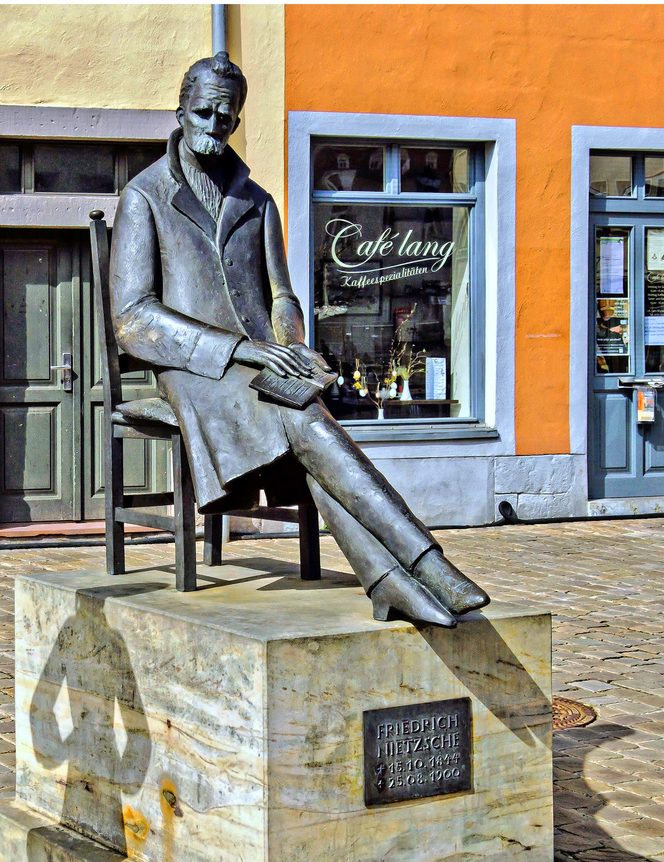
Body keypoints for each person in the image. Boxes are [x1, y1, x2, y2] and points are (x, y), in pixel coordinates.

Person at [110, 54, 489, 626]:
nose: (215, 125)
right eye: (204, 112)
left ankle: (389, 579)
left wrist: (290, 344)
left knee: (308, 426)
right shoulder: (145, 197)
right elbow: (133, 317)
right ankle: (426, 563)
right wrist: (240, 349)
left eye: (226, 116)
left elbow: (282, 294)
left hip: (262, 365)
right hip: (196, 370)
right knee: (311, 427)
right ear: (181, 111)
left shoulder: (257, 201)